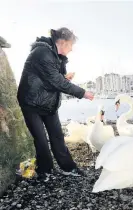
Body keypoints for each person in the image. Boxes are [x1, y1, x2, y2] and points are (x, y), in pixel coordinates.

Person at [17, 27, 94, 180]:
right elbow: (56, 81)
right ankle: (45, 171)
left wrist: (64, 78)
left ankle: (68, 168)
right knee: (41, 139)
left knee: (57, 136)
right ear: (64, 42)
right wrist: (83, 93)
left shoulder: (57, 56)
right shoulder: (42, 53)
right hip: (31, 102)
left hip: (48, 103)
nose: (71, 49)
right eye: (71, 45)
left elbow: (54, 79)